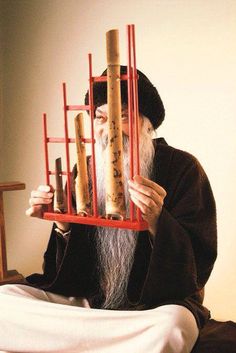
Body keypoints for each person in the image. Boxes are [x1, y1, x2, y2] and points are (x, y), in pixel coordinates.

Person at [0, 67, 217, 353]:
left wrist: (157, 222)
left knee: (174, 326)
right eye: (101, 118)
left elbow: (198, 265)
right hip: (90, 303)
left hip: (150, 310)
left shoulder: (184, 168)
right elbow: (64, 276)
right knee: (5, 298)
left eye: (122, 116)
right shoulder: (86, 168)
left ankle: (79, 341)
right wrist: (64, 225)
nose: (110, 130)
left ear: (148, 124)